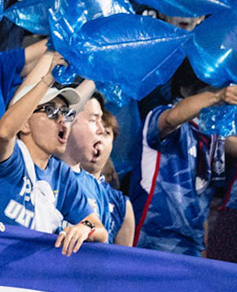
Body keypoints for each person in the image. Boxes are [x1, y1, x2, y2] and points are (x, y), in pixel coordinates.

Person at [0, 57, 106, 253]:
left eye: (66, 114)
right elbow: (4, 132)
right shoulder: (10, 159)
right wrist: (47, 79)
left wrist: (84, 229)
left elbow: (100, 231)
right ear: (25, 124)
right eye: (52, 111)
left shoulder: (62, 175)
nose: (63, 121)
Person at [141, 69, 237, 256]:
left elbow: (205, 200)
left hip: (191, 248)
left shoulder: (215, 142)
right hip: (153, 241)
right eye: (212, 90)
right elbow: (171, 119)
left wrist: (203, 251)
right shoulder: (160, 115)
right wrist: (217, 96)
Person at [63, 96, 135, 247]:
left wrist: (89, 229)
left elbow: (119, 260)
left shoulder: (117, 202)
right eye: (93, 122)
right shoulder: (55, 172)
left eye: (106, 133)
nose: (99, 136)